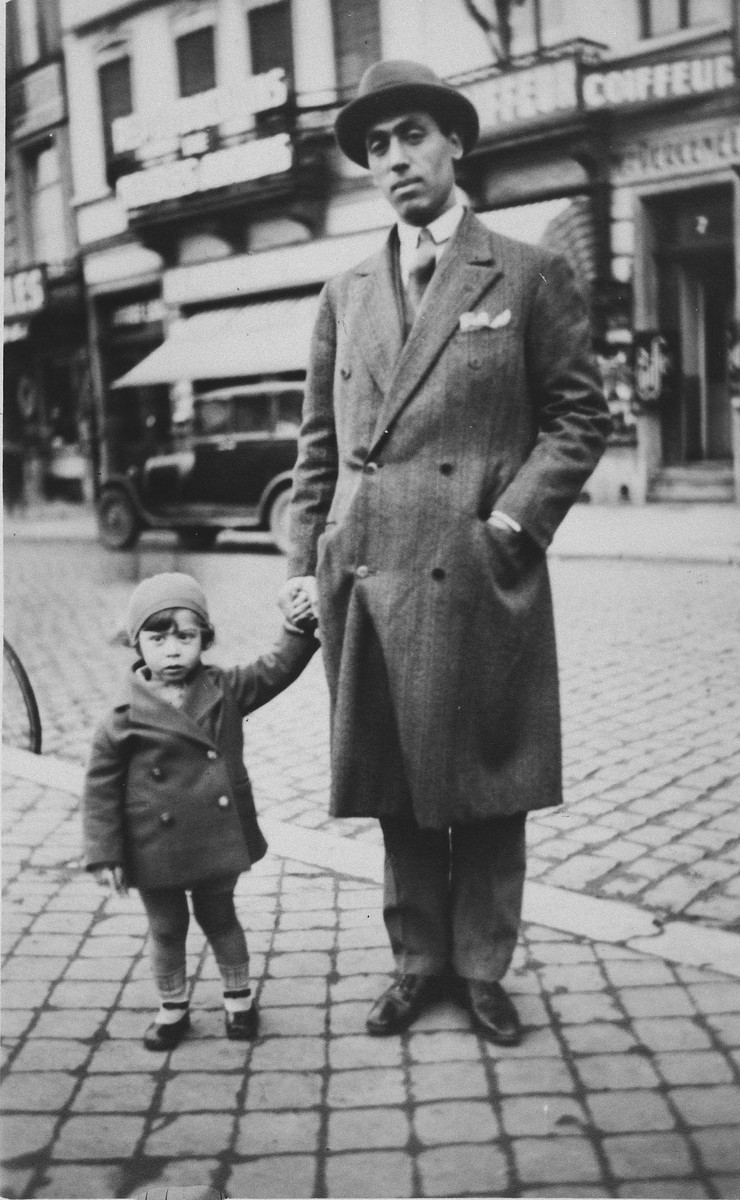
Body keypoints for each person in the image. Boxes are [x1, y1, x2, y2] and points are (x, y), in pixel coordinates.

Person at [279, 59, 611, 1046]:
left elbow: (577, 415)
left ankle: (481, 968)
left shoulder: (522, 269)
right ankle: (416, 961)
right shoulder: (342, 293)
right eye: (376, 147)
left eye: (411, 135)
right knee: (396, 786)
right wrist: (304, 559)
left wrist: (510, 524)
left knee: (486, 779)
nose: (394, 160)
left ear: (454, 142)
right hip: (371, 571)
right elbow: (314, 447)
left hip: (473, 570)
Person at [83, 572, 317, 1050]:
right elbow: (100, 790)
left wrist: (297, 628)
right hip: (155, 846)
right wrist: (105, 853)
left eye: (186, 637)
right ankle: (172, 1009)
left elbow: (275, 668)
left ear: (204, 640)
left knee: (220, 917)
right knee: (166, 928)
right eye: (158, 637)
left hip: (215, 836)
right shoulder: (122, 717)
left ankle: (239, 1001)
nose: (172, 650)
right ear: (136, 642)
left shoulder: (225, 688)